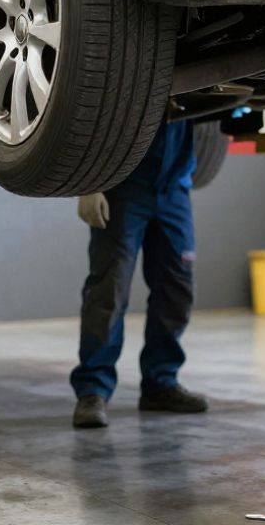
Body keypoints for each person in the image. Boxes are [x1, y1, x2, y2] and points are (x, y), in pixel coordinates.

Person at [70, 118, 208, 429]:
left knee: (177, 289)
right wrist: (88, 184)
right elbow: (90, 110)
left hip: (174, 188)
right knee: (110, 290)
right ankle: (92, 390)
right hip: (122, 189)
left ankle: (160, 384)